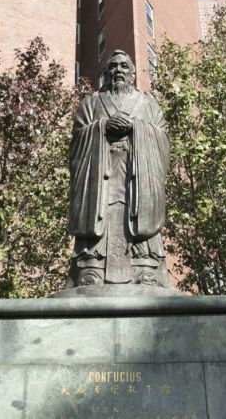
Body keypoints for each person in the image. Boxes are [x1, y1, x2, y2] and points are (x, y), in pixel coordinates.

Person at [67, 49, 171, 288]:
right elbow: (76, 140)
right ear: (105, 73)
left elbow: (163, 139)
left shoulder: (148, 104)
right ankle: (91, 270)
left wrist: (136, 127)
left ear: (133, 73)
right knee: (99, 227)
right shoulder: (90, 103)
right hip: (101, 179)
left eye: (124, 67)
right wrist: (103, 126)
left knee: (138, 224)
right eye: (113, 66)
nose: (118, 71)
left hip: (137, 177)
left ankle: (145, 269)